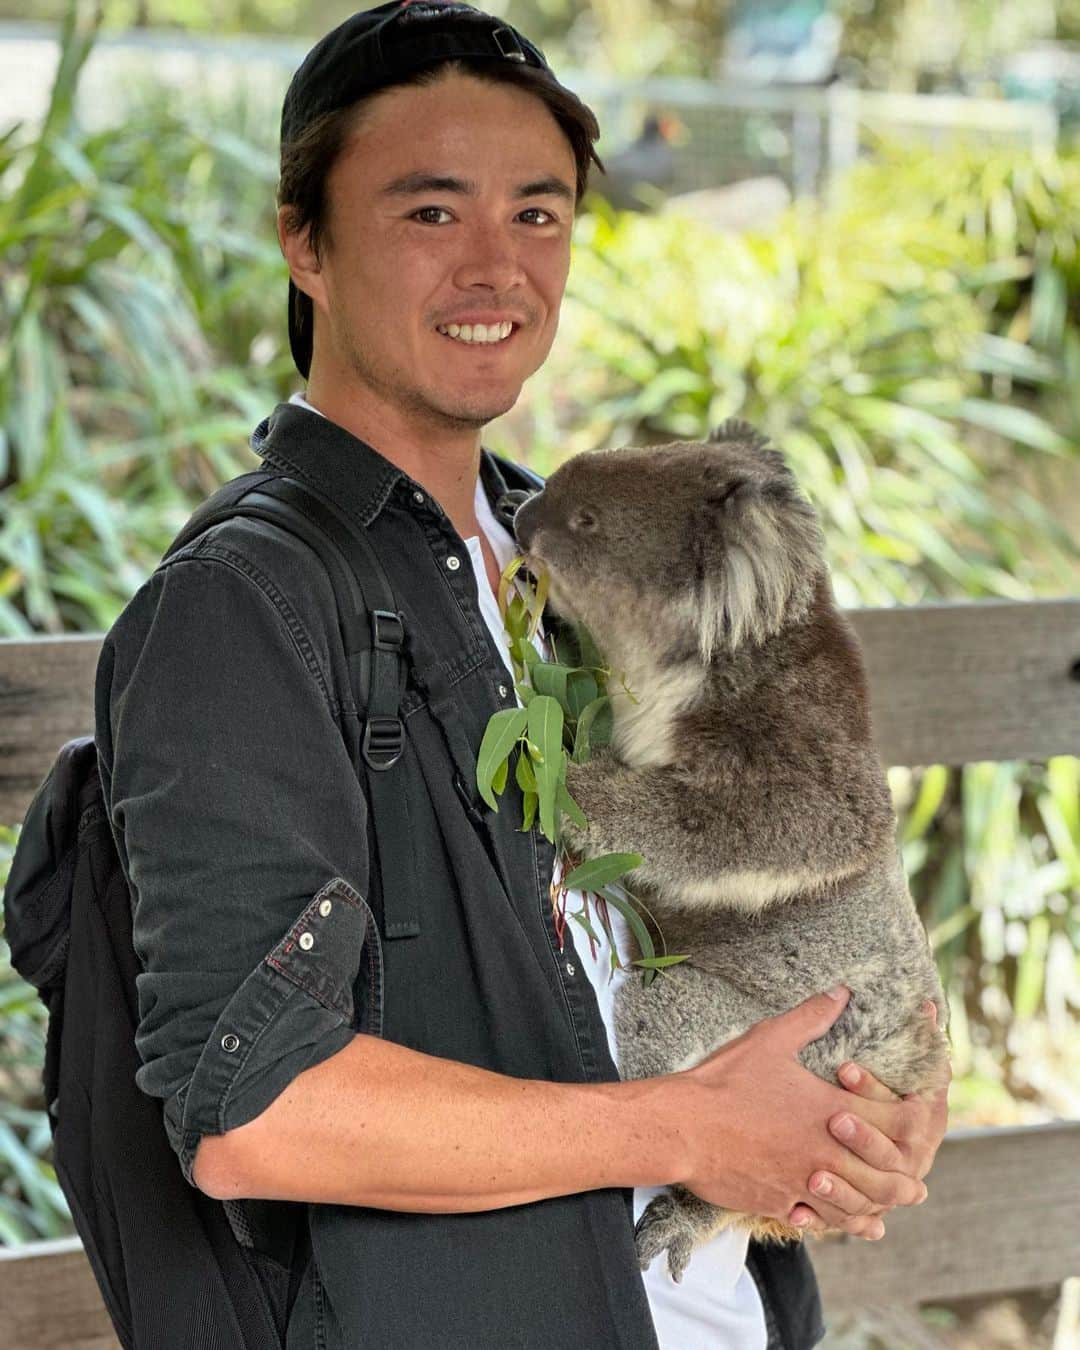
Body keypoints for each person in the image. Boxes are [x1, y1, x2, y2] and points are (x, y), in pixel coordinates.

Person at [93, 4, 950, 1347]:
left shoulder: (589, 549)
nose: (496, 265)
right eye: (432, 213)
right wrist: (684, 1128)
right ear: (302, 240)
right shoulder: (244, 607)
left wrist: (882, 1100)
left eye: (539, 215)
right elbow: (254, 1108)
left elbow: (816, 836)